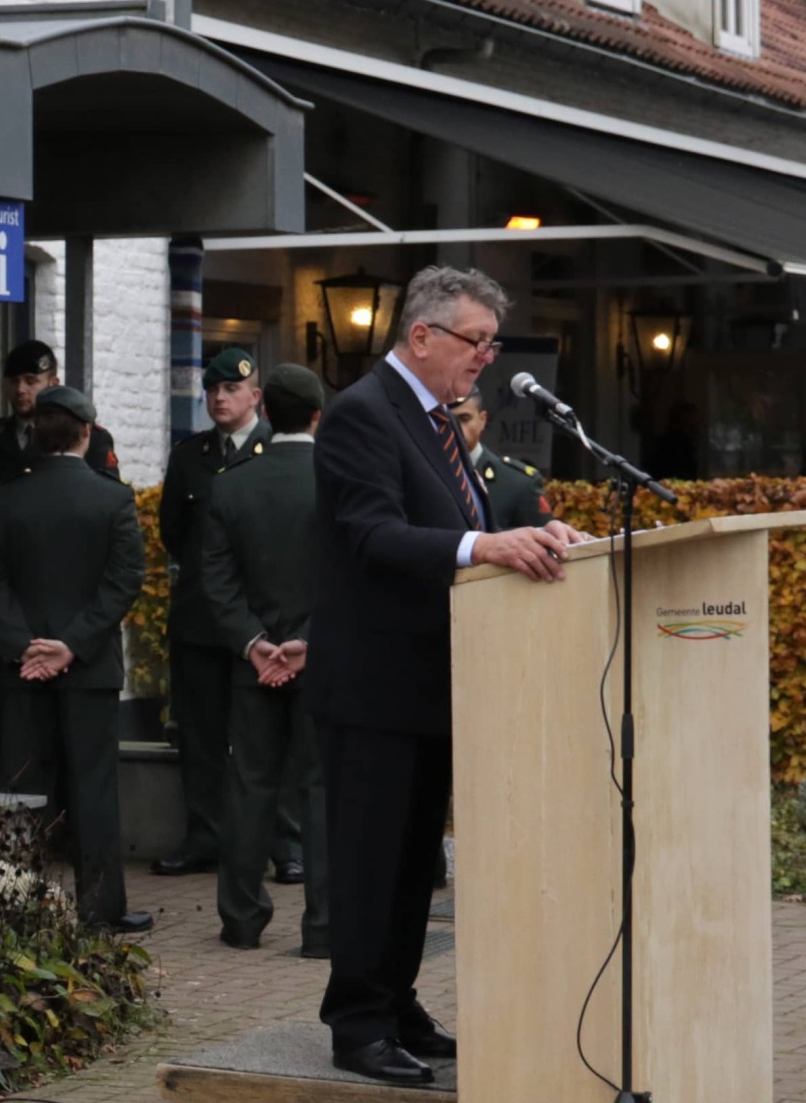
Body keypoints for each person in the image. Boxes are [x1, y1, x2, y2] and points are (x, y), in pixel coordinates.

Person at [308, 267, 587, 1086]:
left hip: (435, 684)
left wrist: (530, 530)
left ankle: (395, 1001)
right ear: (421, 335)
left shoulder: (432, 421)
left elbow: (461, 520)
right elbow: (372, 535)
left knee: (411, 862)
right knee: (369, 861)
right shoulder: (363, 414)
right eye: (476, 342)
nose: (486, 360)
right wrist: (485, 549)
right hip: (374, 687)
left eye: (492, 345)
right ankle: (356, 1022)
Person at [0, 385, 151, 933]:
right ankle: (100, 908)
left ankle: (15, 905)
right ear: (86, 434)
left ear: (38, 436)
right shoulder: (113, 499)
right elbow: (124, 582)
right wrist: (72, 645)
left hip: (19, 670)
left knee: (21, 788)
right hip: (90, 670)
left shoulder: (4, 499)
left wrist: (26, 645)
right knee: (93, 788)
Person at [154, 347, 302, 883]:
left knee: (271, 738)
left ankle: (287, 845)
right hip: (200, 620)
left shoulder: (274, 451)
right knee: (201, 735)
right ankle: (206, 837)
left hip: (262, 624)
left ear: (255, 397)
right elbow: (175, 532)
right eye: (212, 389)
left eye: (232, 390)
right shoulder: (189, 455)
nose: (220, 397)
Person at [200, 363, 329, 956]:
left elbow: (216, 582)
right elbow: (348, 577)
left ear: (267, 413)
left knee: (249, 784)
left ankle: (241, 920)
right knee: (322, 787)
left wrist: (256, 644)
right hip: (321, 660)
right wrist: (306, 641)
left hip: (253, 664)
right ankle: (324, 927)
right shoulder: (338, 480)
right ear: (319, 416)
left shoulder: (231, 484)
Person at [0, 340, 121, 681]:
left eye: (30, 380)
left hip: (73, 607)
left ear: (53, 382)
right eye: (13, 381)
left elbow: (103, 522)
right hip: (10, 605)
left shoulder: (93, 439)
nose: (20, 390)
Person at [452, 386, 551, 528]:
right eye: (446, 419)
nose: (455, 427)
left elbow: (545, 542)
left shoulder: (518, 483)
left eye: (464, 419)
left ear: (482, 420)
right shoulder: (422, 472)